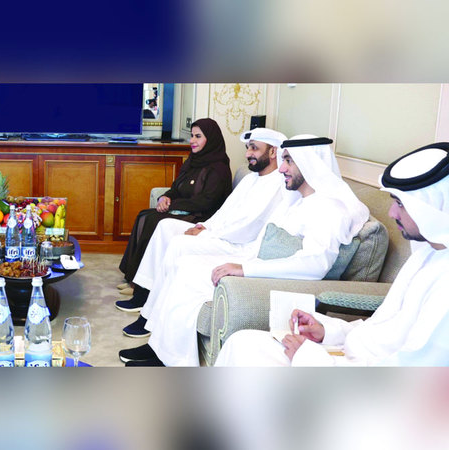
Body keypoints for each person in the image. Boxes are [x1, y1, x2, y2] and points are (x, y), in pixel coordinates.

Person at [119, 135, 369, 366]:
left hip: (270, 281)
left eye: (289, 161)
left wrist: (244, 268)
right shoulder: (298, 200)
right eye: (283, 160)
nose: (282, 168)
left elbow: (314, 265)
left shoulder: (330, 210)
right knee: (185, 264)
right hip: (253, 261)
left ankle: (170, 359)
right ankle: (160, 347)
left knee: (188, 273)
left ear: (310, 163)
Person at [216, 143, 449, 366]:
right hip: (347, 356)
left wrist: (308, 358)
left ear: (432, 209)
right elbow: (381, 328)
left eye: (400, 203)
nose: (391, 213)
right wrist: (327, 331)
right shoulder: (425, 255)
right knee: (241, 342)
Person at [116, 128, 290, 331]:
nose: (248, 154)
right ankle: (144, 293)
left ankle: (151, 317)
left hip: (238, 245)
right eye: (247, 148)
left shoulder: (277, 184)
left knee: (179, 243)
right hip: (219, 233)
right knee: (165, 226)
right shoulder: (251, 178)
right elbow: (225, 211)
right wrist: (205, 226)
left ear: (273, 152)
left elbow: (248, 227)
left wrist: (208, 232)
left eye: (254, 148)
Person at [117, 118, 232, 286]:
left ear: (211, 139)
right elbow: (176, 187)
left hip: (202, 217)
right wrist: (165, 197)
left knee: (153, 221)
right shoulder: (193, 161)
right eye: (192, 135)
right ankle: (133, 278)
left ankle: (141, 285)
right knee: (143, 216)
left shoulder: (219, 168)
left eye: (198, 136)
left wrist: (172, 205)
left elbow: (206, 202)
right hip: (186, 210)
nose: (192, 140)